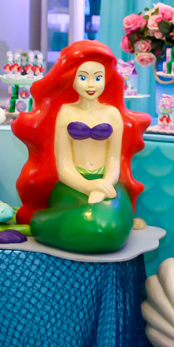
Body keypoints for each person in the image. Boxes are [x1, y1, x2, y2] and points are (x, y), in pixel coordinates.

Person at [13, 40, 150, 254]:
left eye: (98, 78)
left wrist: (104, 184)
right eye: (83, 77)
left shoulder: (112, 114)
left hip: (107, 183)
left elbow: (114, 160)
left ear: (106, 79)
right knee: (91, 223)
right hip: (71, 185)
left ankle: (49, 225)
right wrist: (88, 186)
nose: (91, 85)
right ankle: (40, 223)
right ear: (72, 79)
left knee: (107, 225)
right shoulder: (66, 113)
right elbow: (64, 165)